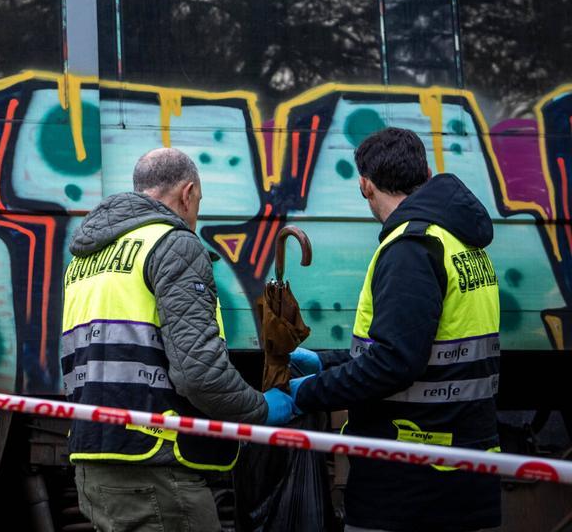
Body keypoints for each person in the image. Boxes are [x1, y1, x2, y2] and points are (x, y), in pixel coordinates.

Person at [61, 148, 289, 532]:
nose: (196, 214)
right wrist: (261, 409)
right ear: (187, 193)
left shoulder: (84, 260)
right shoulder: (173, 244)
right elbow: (199, 374)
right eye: (198, 201)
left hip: (94, 460)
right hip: (154, 469)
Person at [286, 127, 501, 532]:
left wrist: (308, 394)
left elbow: (395, 361)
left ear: (365, 185)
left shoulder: (411, 247)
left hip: (411, 478)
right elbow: (432, 345)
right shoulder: (459, 242)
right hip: (466, 466)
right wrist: (327, 362)